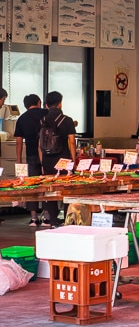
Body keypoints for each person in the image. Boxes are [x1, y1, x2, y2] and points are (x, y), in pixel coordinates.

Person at [39, 91, 77, 227]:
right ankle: (67, 218)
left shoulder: (42, 120)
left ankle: (53, 220)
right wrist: (74, 160)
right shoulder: (67, 120)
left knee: (51, 189)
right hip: (63, 159)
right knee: (67, 189)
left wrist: (42, 161)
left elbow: (40, 144)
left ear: (47, 105)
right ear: (60, 103)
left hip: (48, 160)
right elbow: (72, 142)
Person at [14, 94, 48, 226]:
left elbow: (18, 142)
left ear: (25, 105)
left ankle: (34, 218)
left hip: (31, 155)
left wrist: (19, 160)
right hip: (47, 155)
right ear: (39, 102)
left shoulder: (22, 118)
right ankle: (47, 216)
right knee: (46, 184)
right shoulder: (46, 113)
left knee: (32, 185)